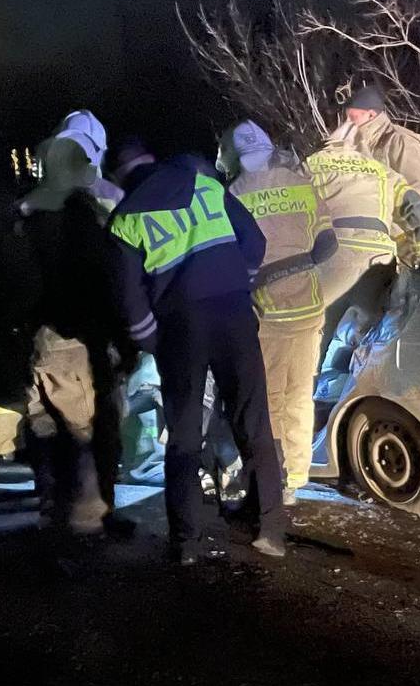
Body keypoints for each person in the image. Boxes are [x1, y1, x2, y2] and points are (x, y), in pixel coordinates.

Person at [104, 138, 286, 563]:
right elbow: (254, 243)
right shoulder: (205, 186)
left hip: (180, 328)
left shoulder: (124, 220)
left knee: (184, 435)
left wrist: (153, 342)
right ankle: (271, 529)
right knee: (253, 421)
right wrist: (235, 285)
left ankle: (186, 542)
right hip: (234, 316)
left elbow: (129, 300)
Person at [9, 110, 134, 538]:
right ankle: (92, 518)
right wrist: (128, 337)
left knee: (42, 429)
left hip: (32, 339)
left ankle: (50, 514)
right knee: (90, 430)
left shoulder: (25, 206)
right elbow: (117, 273)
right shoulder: (102, 202)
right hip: (81, 337)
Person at [217, 120, 337, 506]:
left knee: (266, 398)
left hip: (264, 312)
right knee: (300, 393)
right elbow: (328, 244)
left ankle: (274, 477)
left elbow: (229, 259)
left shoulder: (233, 193)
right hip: (309, 306)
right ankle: (297, 475)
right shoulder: (300, 183)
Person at [306, 132, 420, 360]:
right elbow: (418, 211)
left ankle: (315, 391)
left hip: (333, 259)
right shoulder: (379, 170)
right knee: (368, 336)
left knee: (315, 339)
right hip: (379, 260)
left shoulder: (308, 166)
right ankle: (357, 388)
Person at [332, 83, 420, 263]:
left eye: (352, 117)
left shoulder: (402, 141)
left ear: (371, 114)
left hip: (410, 239)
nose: (348, 123)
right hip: (382, 243)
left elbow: (419, 195)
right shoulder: (357, 147)